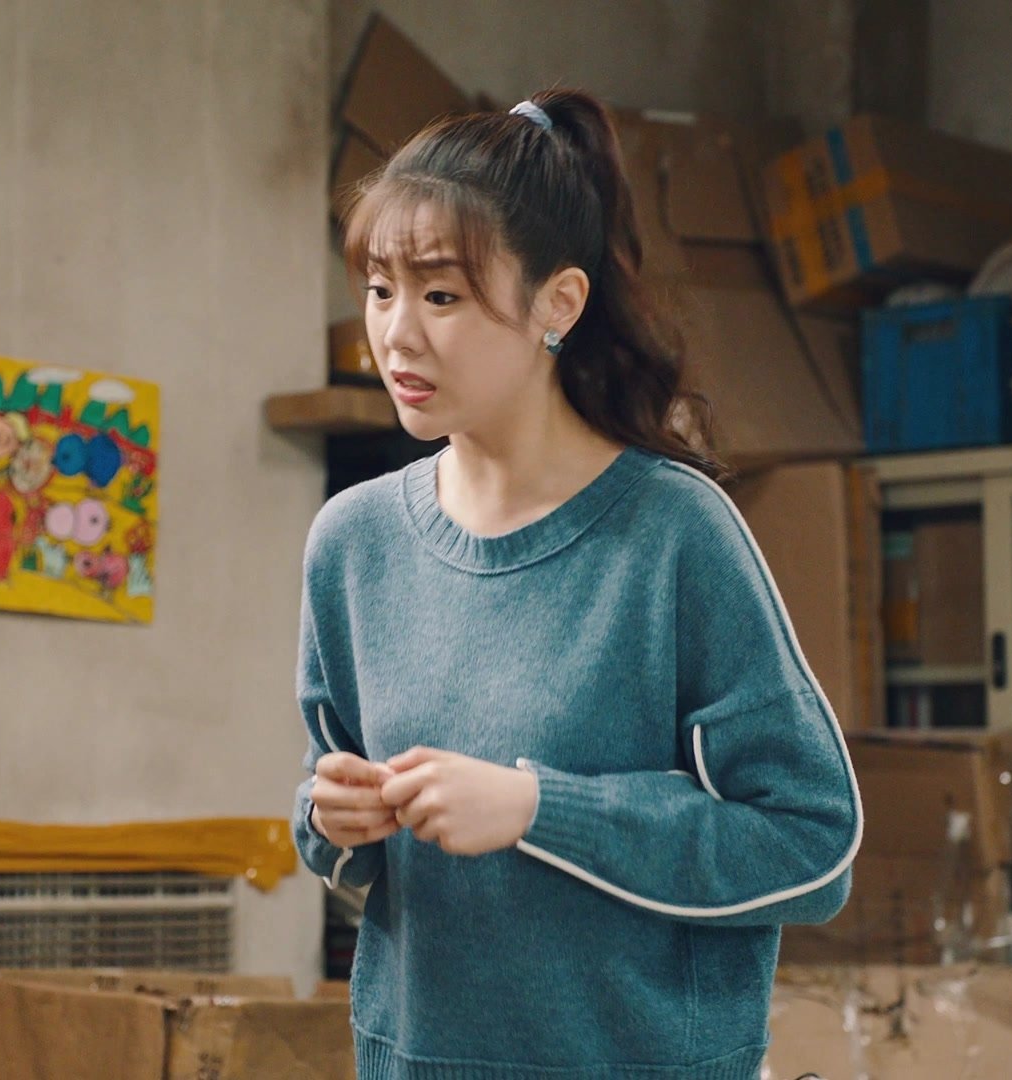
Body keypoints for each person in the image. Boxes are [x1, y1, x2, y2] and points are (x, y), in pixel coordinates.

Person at [290, 88, 863, 1080]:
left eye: (441, 296)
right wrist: (330, 820)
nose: (397, 334)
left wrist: (537, 811)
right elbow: (342, 833)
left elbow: (811, 846)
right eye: (380, 289)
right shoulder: (354, 542)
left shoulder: (674, 535)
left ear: (558, 304)